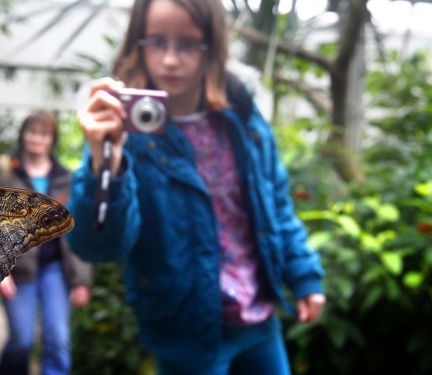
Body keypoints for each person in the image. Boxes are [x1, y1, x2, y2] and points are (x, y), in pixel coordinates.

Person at [67, 0, 326, 374]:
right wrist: (104, 162)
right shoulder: (124, 133)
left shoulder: (243, 117)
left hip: (259, 319)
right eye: (156, 42)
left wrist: (304, 276)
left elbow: (276, 206)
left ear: (213, 46)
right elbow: (98, 246)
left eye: (188, 44)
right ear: (137, 43)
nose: (171, 59)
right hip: (186, 332)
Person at [0, 110, 93, 375]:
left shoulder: (64, 177)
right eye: (32, 132)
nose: (37, 139)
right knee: (22, 341)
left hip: (55, 269)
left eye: (44, 134)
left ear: (52, 140)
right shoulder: (5, 171)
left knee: (58, 341)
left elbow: (75, 233)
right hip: (17, 270)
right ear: (23, 135)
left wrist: (81, 281)